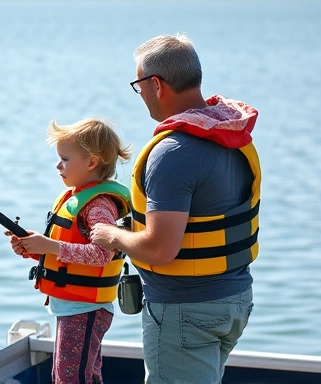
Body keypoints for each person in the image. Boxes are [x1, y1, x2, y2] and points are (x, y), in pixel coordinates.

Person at [90, 33, 261, 384]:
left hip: (186, 311)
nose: (141, 96)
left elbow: (160, 248)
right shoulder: (228, 133)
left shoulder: (172, 154)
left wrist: (112, 235)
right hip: (235, 300)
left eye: (139, 86)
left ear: (156, 84)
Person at [6, 118, 132, 384]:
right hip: (74, 308)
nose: (57, 165)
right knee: (79, 375)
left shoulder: (98, 206)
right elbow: (69, 253)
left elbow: (101, 254)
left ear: (91, 162)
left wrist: (50, 246)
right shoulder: (79, 197)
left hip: (84, 310)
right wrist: (32, 248)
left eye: (64, 159)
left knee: (71, 378)